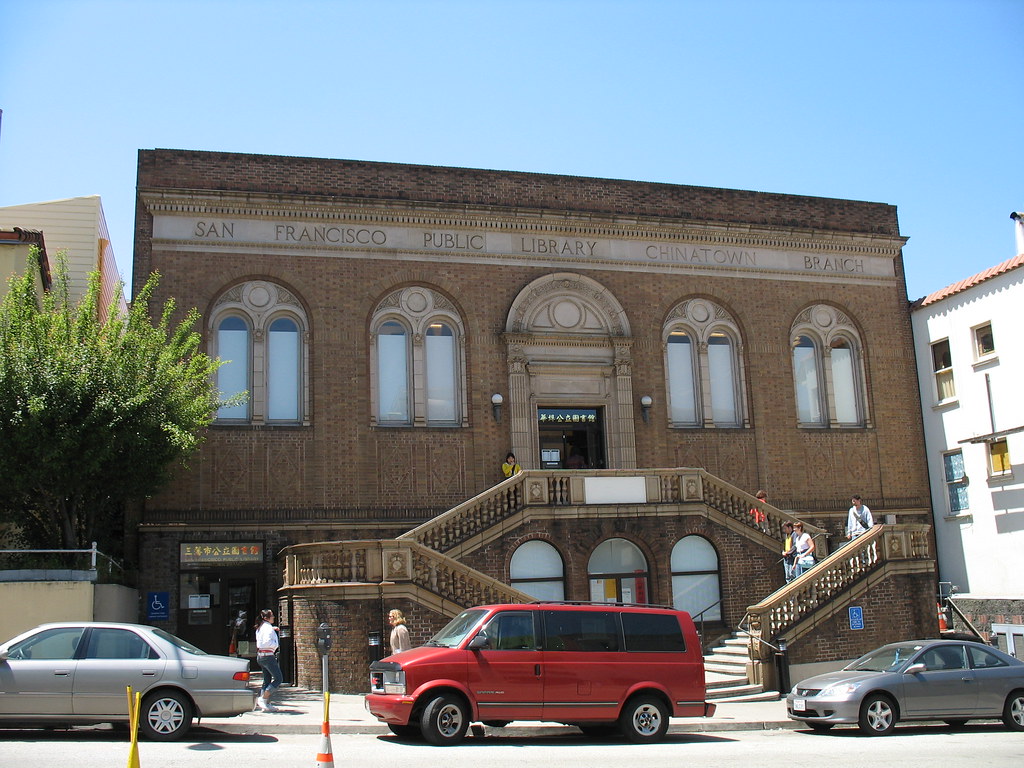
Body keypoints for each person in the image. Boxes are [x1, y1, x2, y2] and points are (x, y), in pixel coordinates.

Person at [254, 608, 282, 712]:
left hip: (261, 656)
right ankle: (263, 698)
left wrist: (272, 629)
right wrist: (275, 645)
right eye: (272, 615)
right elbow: (266, 642)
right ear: (266, 618)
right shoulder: (268, 628)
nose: (274, 617)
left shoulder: (261, 627)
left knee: (267, 679)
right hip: (268, 656)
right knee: (278, 679)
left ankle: (265, 704)